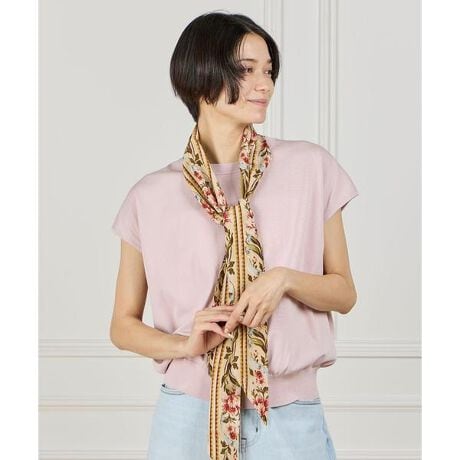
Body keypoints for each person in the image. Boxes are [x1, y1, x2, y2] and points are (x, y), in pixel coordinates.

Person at [110, 11, 359, 460]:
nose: (264, 85)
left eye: (269, 71)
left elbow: (343, 293)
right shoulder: (150, 196)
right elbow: (122, 326)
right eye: (247, 70)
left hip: (289, 420)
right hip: (187, 417)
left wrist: (283, 279)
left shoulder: (311, 168)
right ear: (200, 76)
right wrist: (183, 344)